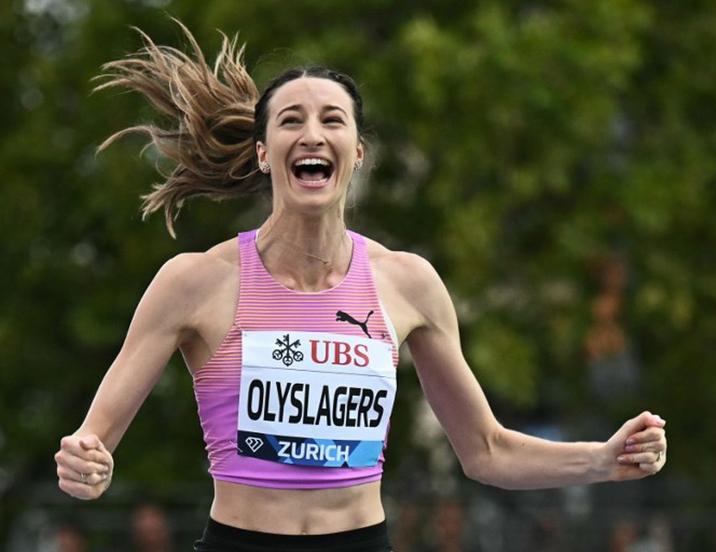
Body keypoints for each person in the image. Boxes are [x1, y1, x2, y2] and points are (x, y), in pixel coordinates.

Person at [54, 21, 668, 552]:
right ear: (266, 154)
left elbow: (487, 451)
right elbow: (92, 441)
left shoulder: (409, 284)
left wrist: (602, 459)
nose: (313, 134)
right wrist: (85, 463)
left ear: (358, 152)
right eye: (292, 121)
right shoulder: (195, 281)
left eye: (333, 120)